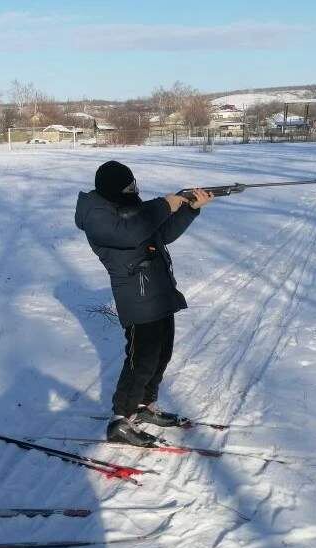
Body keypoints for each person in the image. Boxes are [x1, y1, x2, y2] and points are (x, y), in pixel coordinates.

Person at [75, 161, 213, 445]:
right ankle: (120, 419)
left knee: (162, 354)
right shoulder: (96, 215)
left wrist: (190, 208)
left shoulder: (129, 208)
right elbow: (130, 233)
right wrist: (164, 204)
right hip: (137, 296)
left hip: (158, 290)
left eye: (133, 185)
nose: (133, 191)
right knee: (142, 360)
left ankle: (144, 406)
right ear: (113, 189)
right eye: (127, 188)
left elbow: (161, 233)